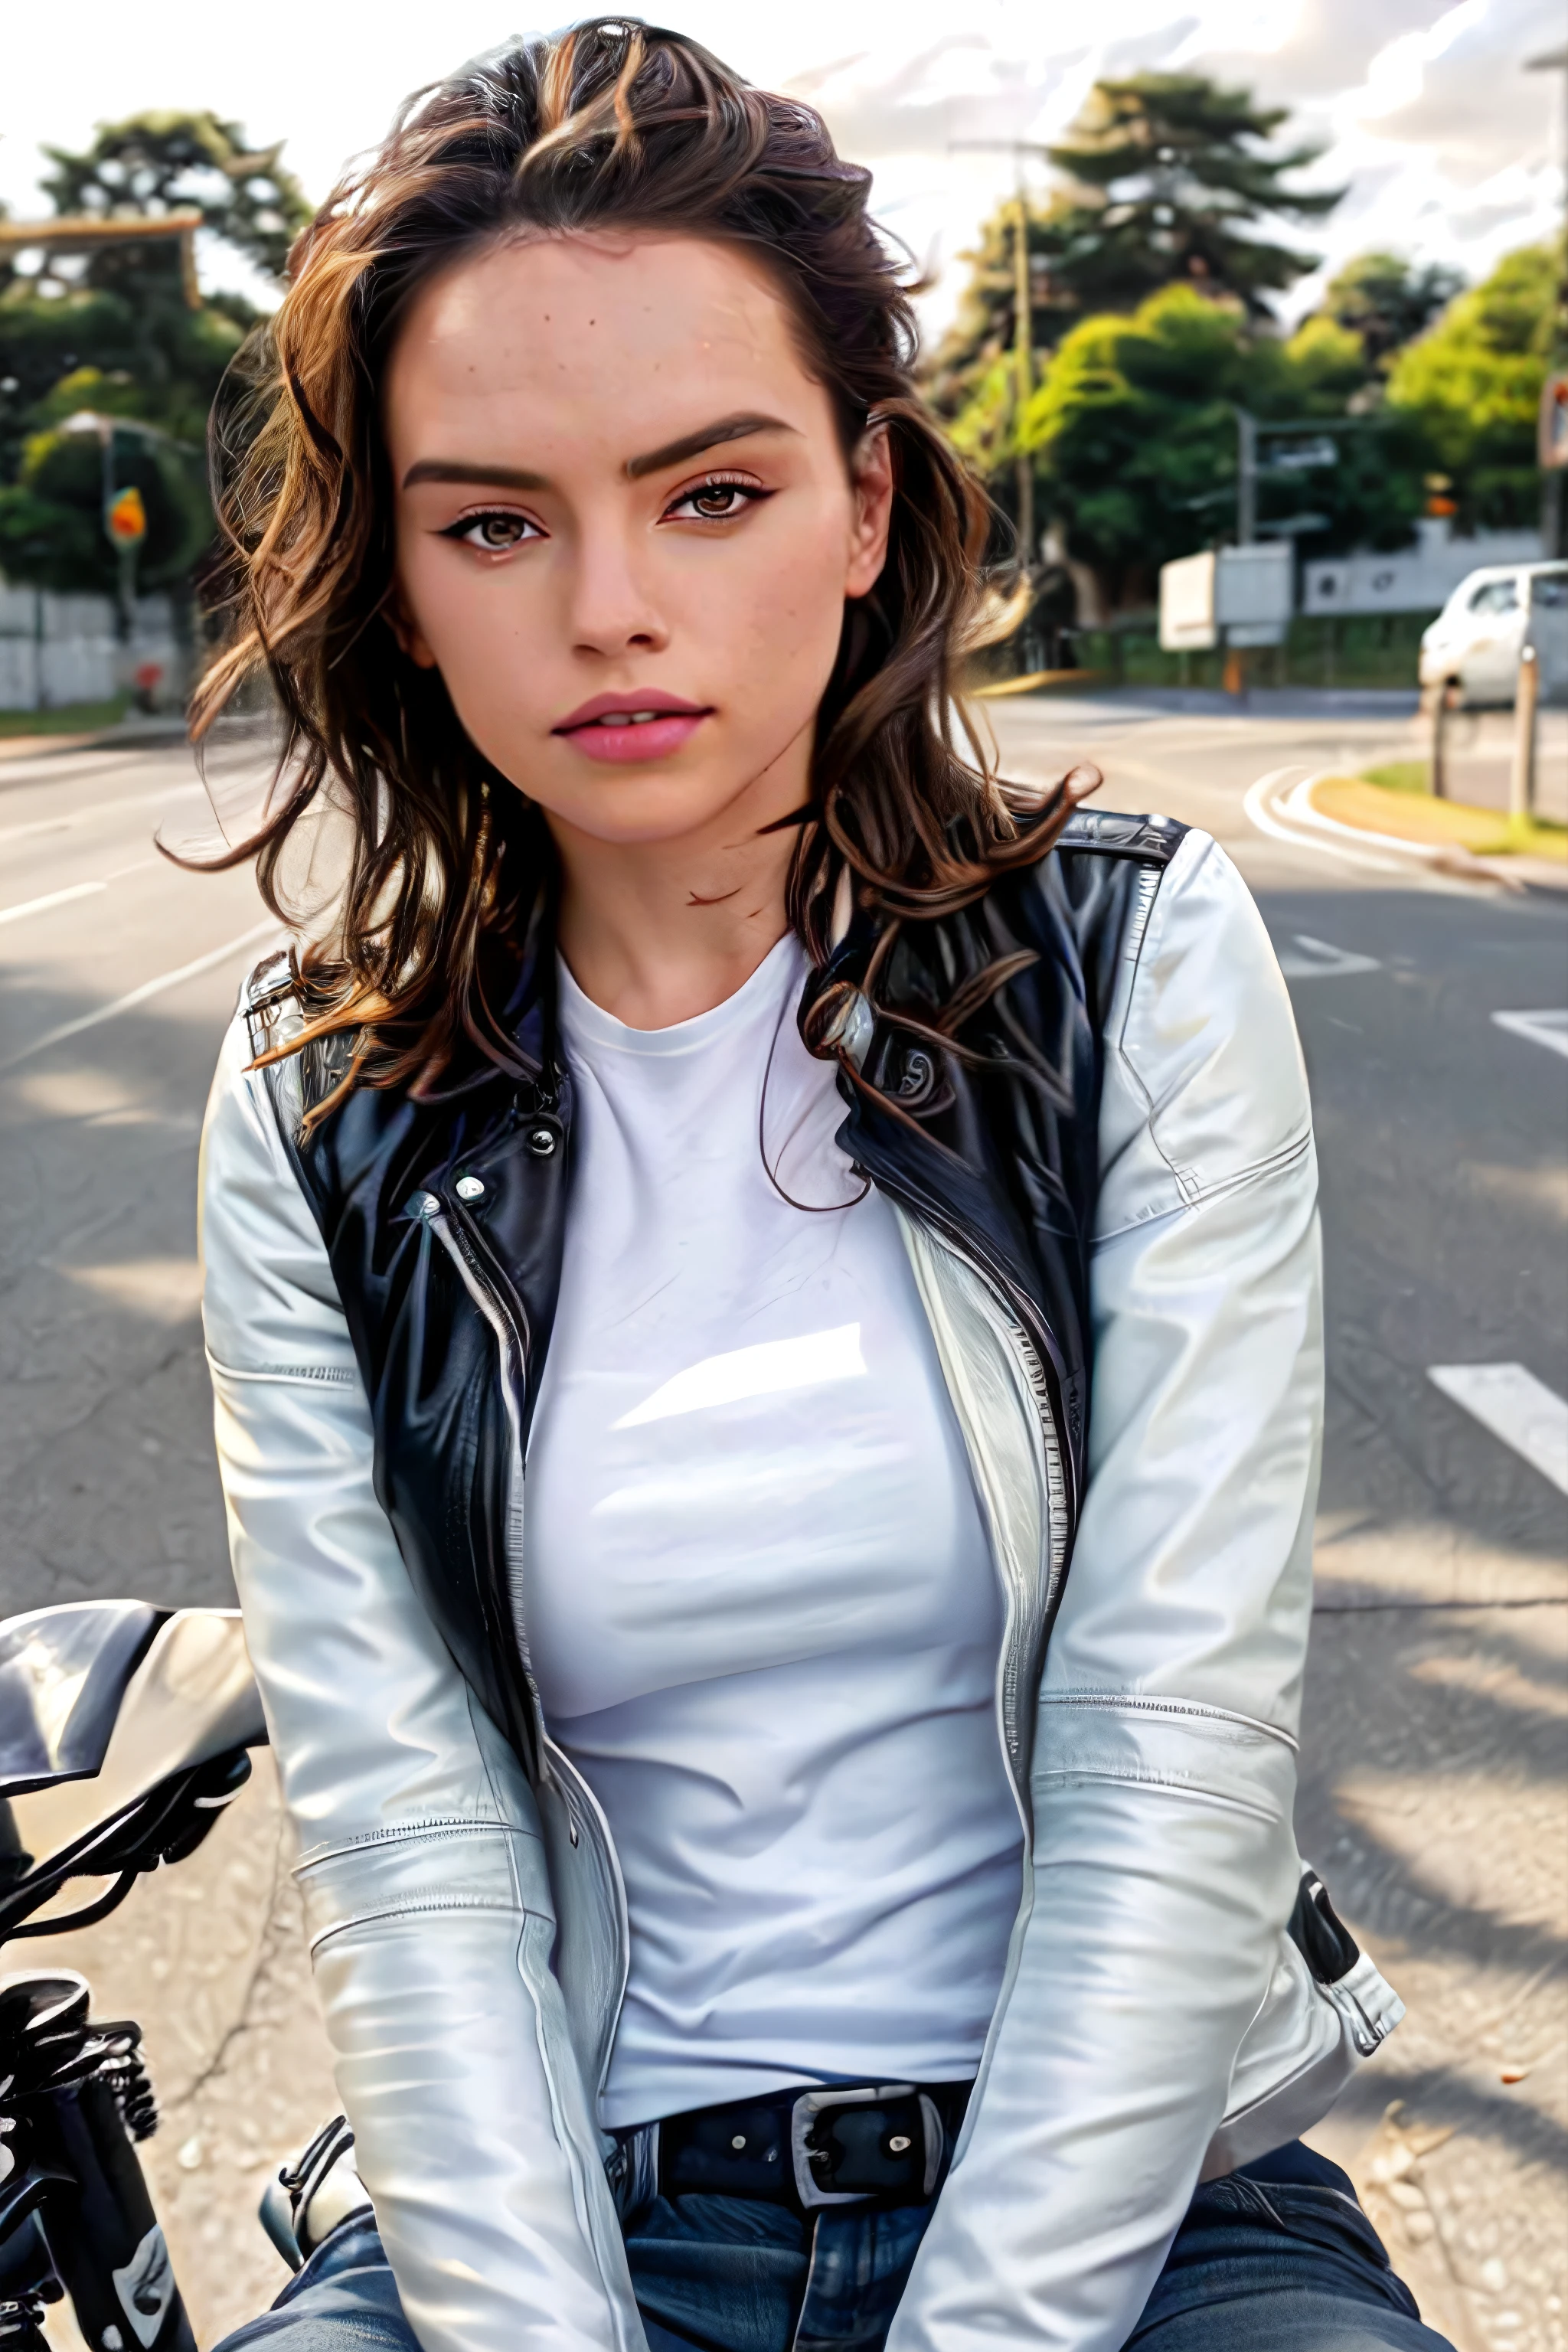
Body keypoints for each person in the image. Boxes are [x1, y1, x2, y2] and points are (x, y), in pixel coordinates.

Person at [195, 21, 1446, 2352]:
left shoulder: (1130, 961)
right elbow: (409, 1849)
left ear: (867, 507)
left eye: (713, 493)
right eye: (494, 520)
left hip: (1136, 2199)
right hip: (566, 2199)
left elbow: (1176, 1746)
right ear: (398, 577)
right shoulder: (315, 1110)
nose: (608, 610)